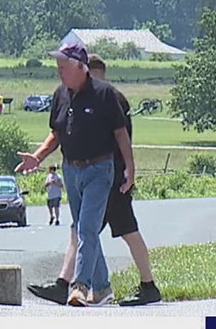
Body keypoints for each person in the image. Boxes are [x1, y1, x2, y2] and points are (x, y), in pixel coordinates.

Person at [26, 53, 160, 307]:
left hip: (111, 176)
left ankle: (86, 285)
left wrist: (128, 171)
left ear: (90, 71)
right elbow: (58, 131)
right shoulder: (65, 95)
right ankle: (86, 285)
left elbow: (122, 137)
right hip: (81, 172)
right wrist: (38, 156)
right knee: (82, 231)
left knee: (115, 231)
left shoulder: (111, 97)